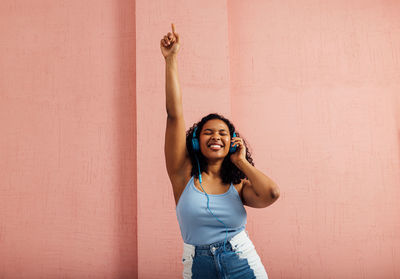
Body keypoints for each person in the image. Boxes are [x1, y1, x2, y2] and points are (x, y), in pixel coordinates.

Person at [161, 23, 280, 279]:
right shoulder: (182, 175)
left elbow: (272, 193)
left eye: (223, 133)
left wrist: (242, 163)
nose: (216, 136)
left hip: (241, 260)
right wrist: (171, 60)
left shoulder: (238, 185)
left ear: (232, 142)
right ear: (196, 141)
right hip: (198, 265)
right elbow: (174, 115)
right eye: (208, 132)